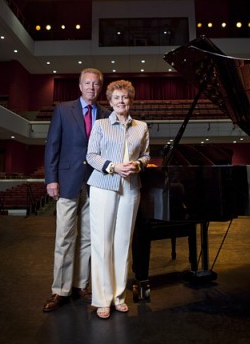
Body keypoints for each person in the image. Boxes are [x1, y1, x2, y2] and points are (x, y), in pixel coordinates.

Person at [43, 68, 111, 312]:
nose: (91, 87)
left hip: (95, 184)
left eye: (96, 84)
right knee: (64, 237)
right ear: (80, 86)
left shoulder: (106, 114)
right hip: (67, 181)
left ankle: (80, 286)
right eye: (87, 83)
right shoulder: (63, 110)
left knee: (88, 239)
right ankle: (60, 289)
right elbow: (52, 145)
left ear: (100, 88)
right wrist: (51, 179)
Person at [86, 79, 150, 319]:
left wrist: (138, 164)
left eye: (125, 97)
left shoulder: (141, 126)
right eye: (116, 98)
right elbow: (91, 155)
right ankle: (102, 299)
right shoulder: (101, 125)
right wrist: (112, 166)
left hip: (131, 187)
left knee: (123, 243)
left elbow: (146, 155)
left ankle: (119, 296)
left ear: (130, 100)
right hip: (104, 185)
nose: (121, 101)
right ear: (110, 102)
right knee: (102, 243)